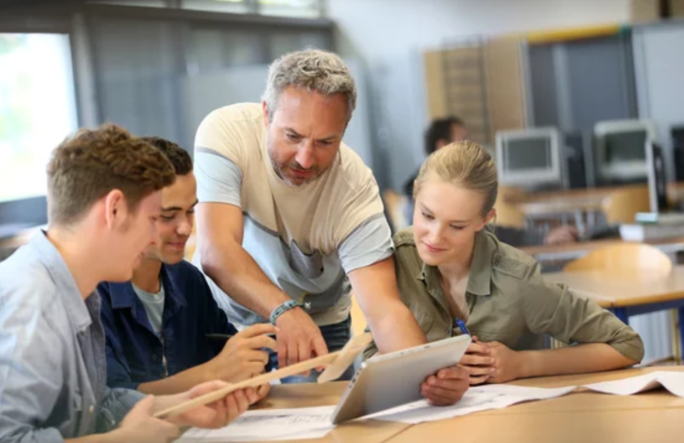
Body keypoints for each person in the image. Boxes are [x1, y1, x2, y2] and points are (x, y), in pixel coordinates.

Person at [192, 49, 469, 404]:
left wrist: (430, 377)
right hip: (227, 317)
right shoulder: (226, 133)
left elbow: (384, 310)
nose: (306, 158)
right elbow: (217, 251)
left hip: (319, 325)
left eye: (325, 142)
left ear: (344, 130)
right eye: (292, 136)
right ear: (265, 114)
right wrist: (283, 310)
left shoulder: (355, 191)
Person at [0, 125, 262, 443]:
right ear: (114, 210)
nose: (153, 237)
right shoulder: (29, 302)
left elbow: (95, 405)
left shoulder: (78, 290)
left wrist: (183, 406)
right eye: (152, 218)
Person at [366, 141, 644, 385]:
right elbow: (370, 356)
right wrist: (426, 369)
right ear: (415, 195)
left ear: (484, 221)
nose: (435, 237)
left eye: (457, 226)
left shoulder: (516, 280)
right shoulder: (399, 257)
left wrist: (522, 364)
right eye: (427, 215)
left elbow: (627, 345)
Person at [98, 137, 276, 396]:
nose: (185, 228)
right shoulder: (92, 295)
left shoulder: (187, 279)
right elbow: (112, 403)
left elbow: (231, 354)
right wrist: (214, 373)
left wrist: (251, 375)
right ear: (122, 210)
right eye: (168, 216)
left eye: (190, 211)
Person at [404, 117, 618, 247]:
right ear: (443, 145)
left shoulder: (442, 186)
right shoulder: (430, 193)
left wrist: (543, 236)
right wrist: (542, 237)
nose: (469, 146)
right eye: (463, 140)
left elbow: (487, 233)